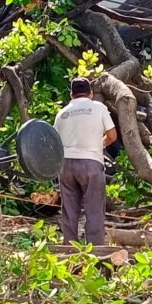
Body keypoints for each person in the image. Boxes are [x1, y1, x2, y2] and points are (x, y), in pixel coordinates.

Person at [54, 77, 117, 245]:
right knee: (94, 209)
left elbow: (55, 142)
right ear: (91, 94)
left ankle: (69, 247)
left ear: (71, 95)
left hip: (66, 165)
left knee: (69, 209)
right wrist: (101, 144)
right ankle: (95, 249)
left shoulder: (62, 114)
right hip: (91, 164)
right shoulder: (99, 108)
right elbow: (112, 135)